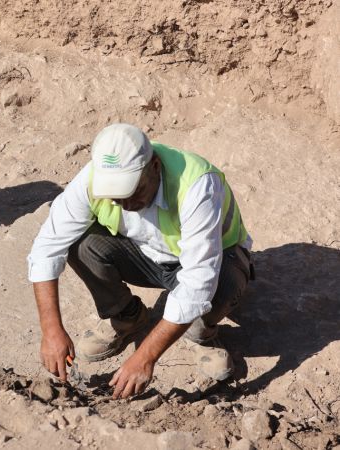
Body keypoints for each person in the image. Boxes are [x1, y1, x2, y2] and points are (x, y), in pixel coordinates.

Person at [28, 123, 253, 399]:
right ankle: (127, 316)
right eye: (115, 195)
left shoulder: (197, 184)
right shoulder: (91, 180)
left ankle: (201, 333)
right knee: (79, 243)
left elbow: (198, 282)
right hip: (147, 256)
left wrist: (145, 357)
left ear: (155, 167)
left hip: (214, 260)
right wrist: (51, 331)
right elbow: (46, 248)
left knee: (222, 285)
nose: (124, 203)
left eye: (133, 191)